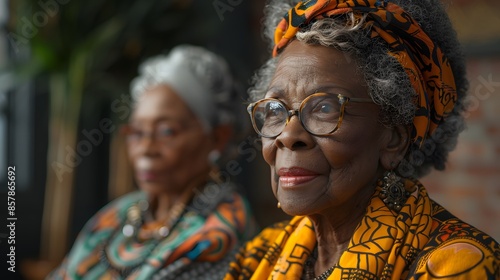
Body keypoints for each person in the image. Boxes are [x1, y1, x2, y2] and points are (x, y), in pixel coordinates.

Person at [225, 0, 500, 279]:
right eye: (274, 109)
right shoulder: (258, 256)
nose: (288, 135)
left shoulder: (458, 264)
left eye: (324, 108)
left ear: (393, 138)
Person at [48, 45, 257, 279]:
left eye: (166, 131)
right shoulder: (118, 214)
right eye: (137, 132)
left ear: (218, 137)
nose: (145, 149)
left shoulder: (221, 225)